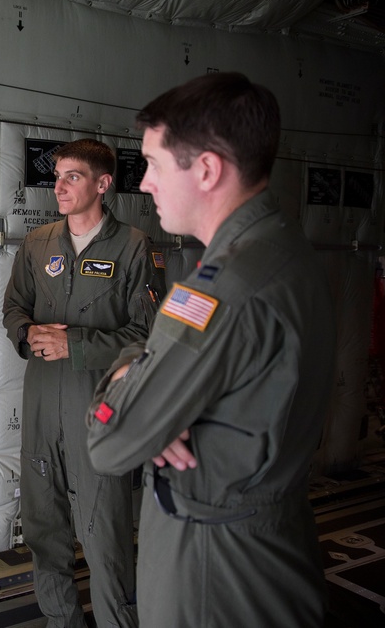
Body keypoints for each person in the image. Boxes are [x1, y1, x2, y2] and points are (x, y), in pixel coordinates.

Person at [87, 72, 335, 627]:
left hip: (213, 574)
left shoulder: (224, 286)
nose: (144, 183)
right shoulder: (286, 251)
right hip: (270, 551)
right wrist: (147, 379)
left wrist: (132, 372)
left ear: (206, 169)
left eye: (152, 163)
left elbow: (110, 442)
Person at [2, 138, 161, 628]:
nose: (59, 185)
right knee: (45, 532)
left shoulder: (134, 247)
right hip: (41, 407)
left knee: (105, 538)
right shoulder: (38, 243)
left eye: (72, 176)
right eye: (58, 176)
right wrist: (27, 332)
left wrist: (80, 345)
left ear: (102, 183)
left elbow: (150, 336)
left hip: (98, 411)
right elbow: (13, 309)